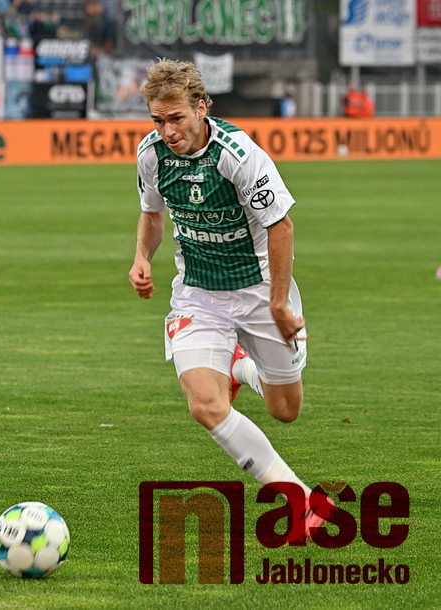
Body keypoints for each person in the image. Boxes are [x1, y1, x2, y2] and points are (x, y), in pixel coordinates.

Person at [128, 59, 332, 541]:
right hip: (198, 295)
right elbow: (152, 215)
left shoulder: (238, 155)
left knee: (285, 409)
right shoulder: (151, 155)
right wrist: (141, 257)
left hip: (259, 293)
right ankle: (300, 499)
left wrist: (279, 303)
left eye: (176, 118)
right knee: (205, 405)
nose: (168, 131)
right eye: (158, 120)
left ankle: (240, 365)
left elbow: (281, 225)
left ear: (201, 108)